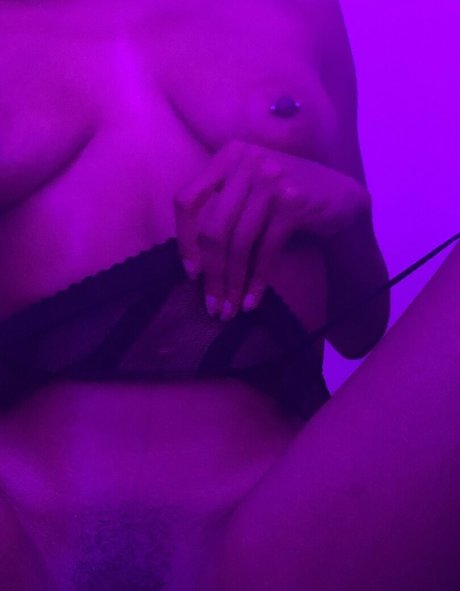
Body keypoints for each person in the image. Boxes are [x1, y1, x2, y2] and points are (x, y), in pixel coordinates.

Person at [0, 1, 458, 589]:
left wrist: (346, 214)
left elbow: (360, 326)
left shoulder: (303, 12)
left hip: (295, 524)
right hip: (17, 525)